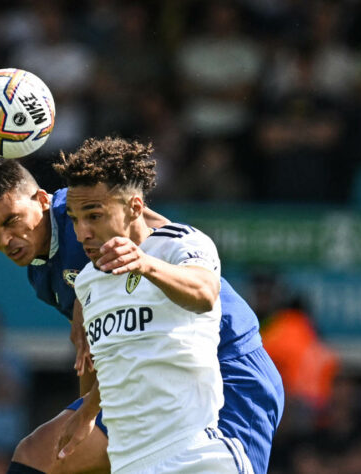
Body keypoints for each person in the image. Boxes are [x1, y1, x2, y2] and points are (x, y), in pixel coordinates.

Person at [0, 143, 283, 474]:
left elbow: (159, 237)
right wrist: (86, 411)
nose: (5, 240)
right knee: (40, 456)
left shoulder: (88, 210)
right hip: (144, 392)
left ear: (42, 200)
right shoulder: (47, 275)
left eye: (12, 221)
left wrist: (146, 261)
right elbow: (97, 355)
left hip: (224, 369)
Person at [53, 136, 251, 472]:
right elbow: (119, 362)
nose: (81, 232)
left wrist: (144, 264)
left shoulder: (180, 243)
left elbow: (205, 293)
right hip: (129, 463)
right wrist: (87, 410)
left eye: (94, 215)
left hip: (196, 455)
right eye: (73, 219)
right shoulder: (87, 282)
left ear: (133, 207)